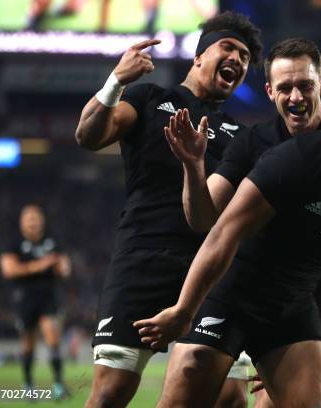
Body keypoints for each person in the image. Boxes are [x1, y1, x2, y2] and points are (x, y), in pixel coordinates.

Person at [158, 37, 321, 407]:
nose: (296, 96)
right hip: (240, 287)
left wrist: (311, 333)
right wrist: (193, 169)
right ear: (270, 92)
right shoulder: (269, 151)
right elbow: (211, 225)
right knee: (206, 387)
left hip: (311, 287)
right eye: (285, 87)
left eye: (305, 85)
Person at [74, 11, 262, 408]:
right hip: (142, 259)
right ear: (198, 56)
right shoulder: (149, 99)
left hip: (210, 269)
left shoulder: (240, 137)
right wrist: (117, 81)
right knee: (109, 394)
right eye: (229, 47)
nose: (238, 60)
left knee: (229, 398)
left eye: (245, 58)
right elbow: (88, 136)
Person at [0, 204, 71, 400]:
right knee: (28, 345)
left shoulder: (52, 241)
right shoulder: (14, 243)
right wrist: (40, 265)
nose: (34, 222)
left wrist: (63, 268)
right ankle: (29, 385)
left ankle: (58, 385)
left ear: (42, 220)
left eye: (36, 218)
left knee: (53, 340)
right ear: (22, 222)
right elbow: (9, 270)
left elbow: (65, 268)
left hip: (48, 297)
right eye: (30, 218)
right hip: (24, 299)